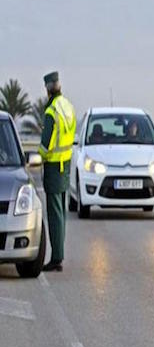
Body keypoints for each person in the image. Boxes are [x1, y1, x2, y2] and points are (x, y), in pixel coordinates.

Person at [38, 72, 76, 272]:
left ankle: (56, 258)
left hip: (53, 166)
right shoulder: (67, 106)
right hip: (65, 165)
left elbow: (46, 144)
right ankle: (58, 255)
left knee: (54, 214)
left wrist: (39, 156)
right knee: (61, 212)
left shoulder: (52, 111)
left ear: (48, 88)